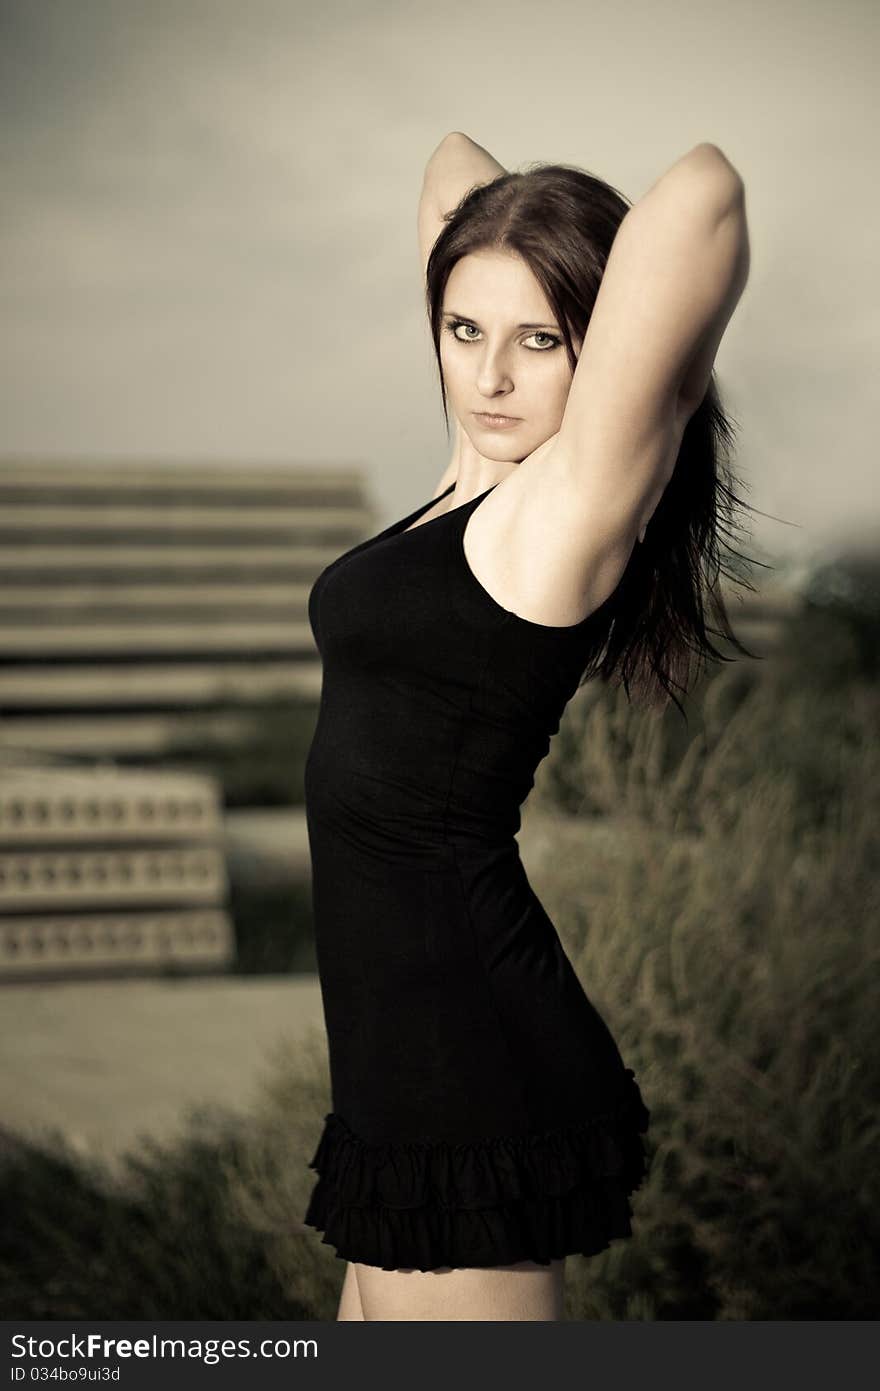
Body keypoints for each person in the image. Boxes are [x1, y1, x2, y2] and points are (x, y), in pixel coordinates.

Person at [302, 131, 751, 1321]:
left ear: (597, 352)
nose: (491, 377)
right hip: (401, 1053)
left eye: (538, 342)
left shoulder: (571, 500)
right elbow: (451, 163)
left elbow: (701, 187)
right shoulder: (468, 477)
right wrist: (505, 248)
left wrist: (610, 346)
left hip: (465, 1053)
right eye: (462, 332)